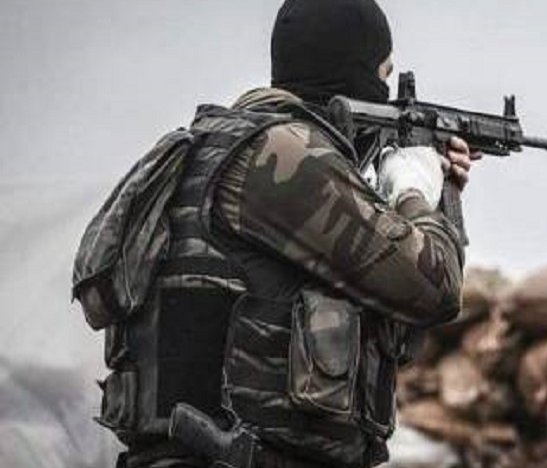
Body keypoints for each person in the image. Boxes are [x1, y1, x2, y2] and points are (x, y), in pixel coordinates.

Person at [88, 0, 476, 467]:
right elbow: (435, 288)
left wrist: (424, 192)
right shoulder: (285, 159)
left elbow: (384, 315)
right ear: (354, 74)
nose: (386, 93)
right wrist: (414, 191)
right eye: (383, 75)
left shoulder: (216, 146)